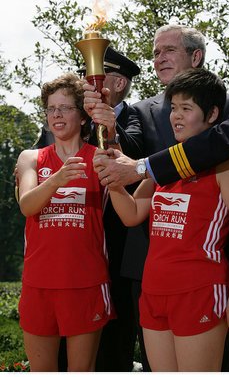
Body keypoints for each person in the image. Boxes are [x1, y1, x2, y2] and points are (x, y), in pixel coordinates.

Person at [84, 23, 229, 370]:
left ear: (196, 56)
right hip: (152, 280)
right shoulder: (146, 113)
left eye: (168, 51)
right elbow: (133, 165)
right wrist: (109, 137)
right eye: (155, 52)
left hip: (205, 281)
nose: (158, 59)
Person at [32, 48, 142, 372]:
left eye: (94, 75)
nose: (87, 81)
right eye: (84, 75)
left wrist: (110, 130)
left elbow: (137, 164)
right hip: (60, 261)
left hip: (114, 257)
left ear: (118, 82)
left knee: (111, 352)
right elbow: (42, 163)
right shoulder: (60, 125)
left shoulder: (135, 118)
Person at [16, 73, 115, 372]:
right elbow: (27, 205)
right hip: (38, 284)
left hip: (86, 283)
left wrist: (109, 129)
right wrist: (58, 178)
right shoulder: (31, 158)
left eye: (65, 108)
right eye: (50, 108)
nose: (56, 115)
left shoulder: (99, 158)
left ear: (83, 117)